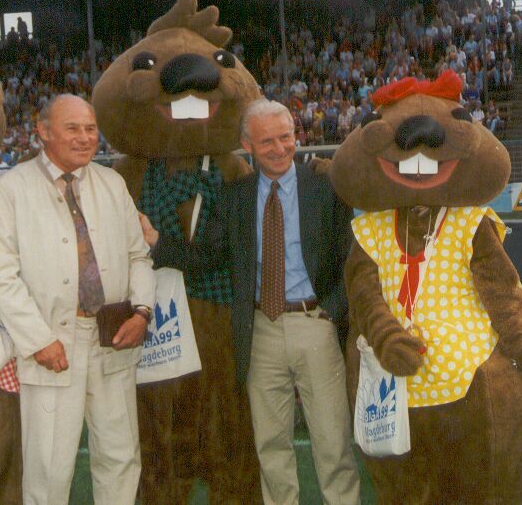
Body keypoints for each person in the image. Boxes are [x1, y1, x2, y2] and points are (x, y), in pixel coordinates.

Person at [141, 100, 360, 504]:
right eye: (267, 141)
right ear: (247, 144)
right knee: (271, 446)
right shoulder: (235, 196)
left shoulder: (325, 187)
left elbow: (352, 258)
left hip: (314, 323)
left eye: (286, 137)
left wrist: (332, 311)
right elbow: (208, 255)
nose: (279, 148)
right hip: (260, 330)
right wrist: (158, 243)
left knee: (333, 443)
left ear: (297, 136)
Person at [0, 94, 155, 504]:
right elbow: (1, 276)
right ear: (43, 131)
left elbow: (138, 256)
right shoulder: (12, 190)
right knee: (48, 467)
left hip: (114, 339)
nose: (84, 137)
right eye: (72, 128)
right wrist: (38, 340)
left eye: (91, 128)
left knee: (120, 456)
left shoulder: (112, 183)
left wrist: (143, 312)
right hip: (51, 345)